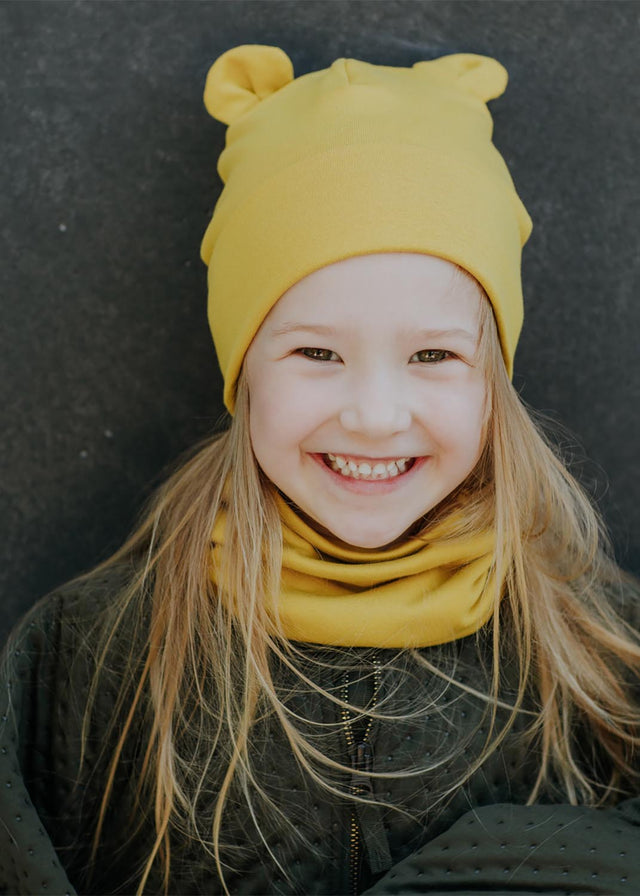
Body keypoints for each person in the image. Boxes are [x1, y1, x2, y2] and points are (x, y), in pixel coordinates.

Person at [1, 44, 639, 896]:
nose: (375, 414)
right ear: (245, 370)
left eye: (431, 354)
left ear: (493, 379)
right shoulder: (90, 656)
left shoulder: (600, 652)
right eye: (316, 351)